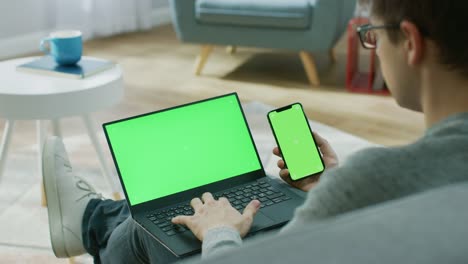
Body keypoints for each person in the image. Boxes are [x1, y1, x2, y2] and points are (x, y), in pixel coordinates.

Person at [42, 0, 468, 263]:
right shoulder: (408, 177)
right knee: (205, 199)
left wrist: (221, 233)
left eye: (373, 36)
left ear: (410, 42)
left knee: (154, 229)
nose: (373, 48)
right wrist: (326, 183)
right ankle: (92, 214)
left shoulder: (375, 177)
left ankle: (89, 221)